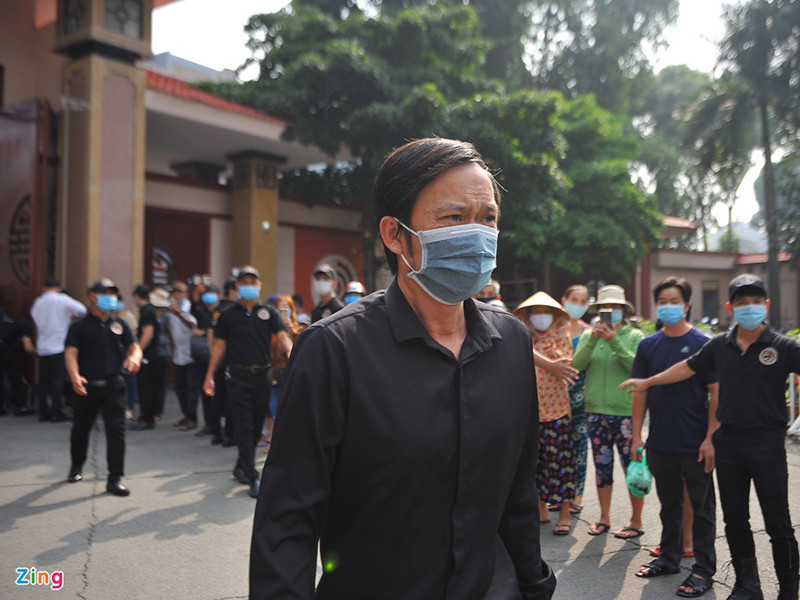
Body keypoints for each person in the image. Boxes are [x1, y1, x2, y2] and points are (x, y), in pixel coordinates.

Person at [250, 137, 556, 599]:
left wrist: (534, 585)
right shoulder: (334, 350)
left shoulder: (510, 342)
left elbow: (517, 493)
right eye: (453, 218)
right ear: (395, 235)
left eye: (487, 218)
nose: (475, 235)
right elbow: (287, 522)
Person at [621, 273, 799, 600]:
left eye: (755, 302)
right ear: (731, 307)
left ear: (766, 305)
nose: (749, 308)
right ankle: (748, 587)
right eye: (742, 303)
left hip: (767, 446)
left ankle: (788, 591)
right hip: (728, 444)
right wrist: (648, 382)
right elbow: (686, 367)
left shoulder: (783, 347)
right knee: (735, 521)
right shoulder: (719, 346)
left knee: (778, 525)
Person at [628, 277, 719, 598]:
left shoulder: (704, 344)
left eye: (674, 300)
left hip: (696, 444)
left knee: (703, 510)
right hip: (660, 443)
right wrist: (637, 435)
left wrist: (711, 437)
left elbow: (715, 394)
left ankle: (703, 570)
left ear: (687, 304)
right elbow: (640, 390)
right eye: (663, 301)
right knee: (669, 506)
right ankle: (669, 558)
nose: (668, 306)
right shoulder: (648, 345)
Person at [203, 266, 293, 498]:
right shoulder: (228, 314)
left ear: (259, 285)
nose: (249, 285)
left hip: (263, 375)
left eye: (253, 281)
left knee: (255, 425)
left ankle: (240, 465)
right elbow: (219, 346)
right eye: (244, 281)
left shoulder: (269, 313)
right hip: (237, 375)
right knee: (243, 425)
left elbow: (283, 337)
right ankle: (252, 476)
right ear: (238, 286)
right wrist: (210, 374)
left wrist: (294, 356)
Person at [572, 284, 645, 539]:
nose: (610, 311)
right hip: (595, 412)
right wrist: (593, 339)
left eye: (615, 307)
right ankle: (604, 517)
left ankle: (636, 520)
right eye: (605, 308)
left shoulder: (635, 336)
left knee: (631, 468)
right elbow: (577, 365)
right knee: (602, 467)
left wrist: (614, 342)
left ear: (624, 310)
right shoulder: (588, 336)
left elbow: (638, 368)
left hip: (625, 412)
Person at [64, 278, 142, 496]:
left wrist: (134, 357)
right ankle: (76, 466)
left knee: (116, 432)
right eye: (105, 293)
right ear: (92, 296)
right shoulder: (79, 326)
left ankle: (115, 479)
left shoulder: (119, 324)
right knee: (81, 429)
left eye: (112, 293)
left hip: (114, 386)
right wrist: (75, 376)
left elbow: (134, 346)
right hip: (86, 386)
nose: (110, 298)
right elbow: (71, 353)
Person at [514, 292, 576, 536]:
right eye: (536, 312)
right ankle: (541, 507)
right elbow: (527, 357)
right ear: (528, 316)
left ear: (554, 315)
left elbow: (564, 364)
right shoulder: (520, 337)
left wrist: (547, 360)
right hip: (530, 411)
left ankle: (565, 512)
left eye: (546, 311)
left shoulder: (562, 335)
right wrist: (548, 361)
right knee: (534, 464)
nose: (541, 316)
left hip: (558, 410)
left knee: (562, 463)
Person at [547, 284, 591, 516]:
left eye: (583, 302)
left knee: (579, 447)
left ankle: (577, 495)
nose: (578, 305)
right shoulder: (553, 327)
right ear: (564, 300)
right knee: (556, 448)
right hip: (552, 398)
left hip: (580, 398)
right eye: (575, 299)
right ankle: (558, 494)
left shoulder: (589, 332)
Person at [30, 278, 87, 421]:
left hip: (43, 347)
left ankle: (43, 412)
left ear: (44, 288)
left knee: (43, 382)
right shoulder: (61, 300)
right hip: (59, 346)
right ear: (59, 288)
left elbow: (34, 317)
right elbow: (82, 310)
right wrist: (69, 318)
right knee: (57, 381)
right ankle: (57, 412)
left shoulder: (38, 303)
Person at [130, 285, 168, 430]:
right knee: (151, 386)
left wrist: (138, 351)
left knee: (146, 387)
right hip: (153, 354)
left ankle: (147, 418)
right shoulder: (151, 310)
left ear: (137, 297)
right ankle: (148, 415)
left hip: (149, 355)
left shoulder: (146, 311)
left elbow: (148, 333)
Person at [167, 282, 199, 430]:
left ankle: (192, 418)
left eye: (180, 292)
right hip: (178, 353)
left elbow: (192, 325)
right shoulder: (172, 307)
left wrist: (179, 314)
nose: (177, 295)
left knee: (191, 387)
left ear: (185, 294)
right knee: (180, 387)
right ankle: (186, 415)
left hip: (191, 353)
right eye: (175, 292)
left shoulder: (189, 307)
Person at [0, 306, 37, 415]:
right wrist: (39, 353)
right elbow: (28, 347)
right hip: (3, 347)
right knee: (15, 375)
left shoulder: (6, 323)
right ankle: (21, 407)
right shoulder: (25, 324)